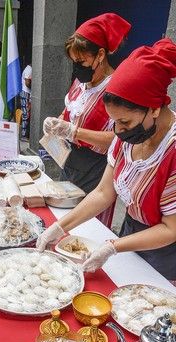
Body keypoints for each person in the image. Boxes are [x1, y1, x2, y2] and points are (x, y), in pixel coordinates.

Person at [36, 38, 176, 285]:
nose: (120, 131)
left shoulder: (171, 151)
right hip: (132, 233)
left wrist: (112, 246)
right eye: (115, 123)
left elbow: (170, 228)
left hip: (167, 252)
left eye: (126, 123)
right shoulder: (128, 137)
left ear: (154, 108)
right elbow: (103, 192)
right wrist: (59, 227)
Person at [43, 13, 131, 225]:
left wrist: (75, 132)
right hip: (69, 160)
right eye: (74, 61)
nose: (77, 67)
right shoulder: (81, 82)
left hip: (97, 168)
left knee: (87, 225)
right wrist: (55, 123)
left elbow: (120, 139)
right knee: (64, 217)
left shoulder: (116, 89)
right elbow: (69, 113)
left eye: (81, 61)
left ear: (100, 55)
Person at [20, 63, 32, 139]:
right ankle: (24, 135)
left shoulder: (28, 68)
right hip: (26, 93)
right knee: (26, 114)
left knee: (26, 114)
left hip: (26, 93)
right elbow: (27, 83)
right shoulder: (29, 69)